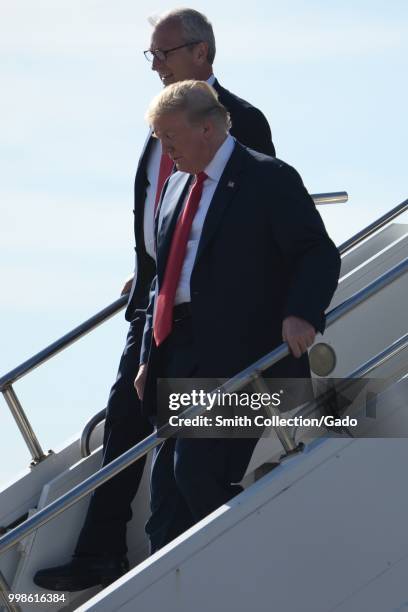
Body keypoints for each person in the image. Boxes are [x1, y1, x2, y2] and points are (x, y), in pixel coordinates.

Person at [33, 8, 275, 592]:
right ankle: (100, 550)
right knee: (125, 418)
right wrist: (146, 266)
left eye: (164, 54)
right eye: (152, 56)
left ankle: (181, 557)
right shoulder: (159, 122)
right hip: (155, 295)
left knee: (184, 442)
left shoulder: (241, 120)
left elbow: (254, 214)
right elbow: (161, 207)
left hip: (206, 311)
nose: (156, 66)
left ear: (202, 54)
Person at [134, 80, 341, 553]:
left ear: (206, 129)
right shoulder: (173, 187)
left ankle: (248, 562)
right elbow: (161, 280)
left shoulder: (268, 178)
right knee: (165, 497)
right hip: (179, 354)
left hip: (242, 356)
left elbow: (317, 253)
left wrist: (301, 314)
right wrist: (150, 355)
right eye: (159, 140)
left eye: (171, 137)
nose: (165, 150)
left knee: (198, 470)